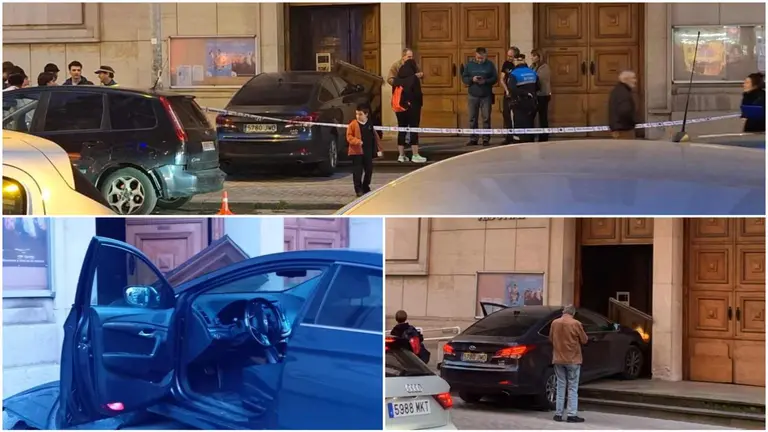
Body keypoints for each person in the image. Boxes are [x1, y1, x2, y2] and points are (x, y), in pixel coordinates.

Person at [549, 305, 588, 423]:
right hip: (573, 359)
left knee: (560, 386)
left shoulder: (554, 323)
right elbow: (584, 340)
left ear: (563, 312)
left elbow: (550, 338)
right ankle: (571, 414)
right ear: (573, 313)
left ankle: (558, 414)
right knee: (572, 387)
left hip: (558, 359)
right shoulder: (576, 324)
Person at [392, 58, 427, 164]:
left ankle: (401, 155)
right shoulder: (413, 78)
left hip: (399, 109)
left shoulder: (396, 79)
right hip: (412, 108)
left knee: (401, 130)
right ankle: (415, 155)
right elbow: (417, 94)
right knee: (413, 130)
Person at [346, 103, 383, 197]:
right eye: (357, 114)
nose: (358, 116)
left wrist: (379, 148)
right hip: (357, 152)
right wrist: (357, 141)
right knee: (357, 171)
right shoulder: (353, 124)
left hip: (368, 151)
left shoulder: (370, 124)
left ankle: (365, 186)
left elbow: (375, 137)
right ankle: (358, 189)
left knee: (369, 170)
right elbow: (349, 136)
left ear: (366, 114)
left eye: (360, 114)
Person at [462, 47, 498, 146]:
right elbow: (464, 78)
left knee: (486, 118)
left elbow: (495, 78)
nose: (479, 60)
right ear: (475, 55)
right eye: (478, 58)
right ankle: (473, 138)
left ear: (485, 56)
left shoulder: (490, 65)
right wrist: (471, 79)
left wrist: (485, 81)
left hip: (486, 95)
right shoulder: (469, 65)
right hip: (473, 95)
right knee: (472, 118)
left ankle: (486, 138)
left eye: (481, 58)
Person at [506, 54, 539, 143]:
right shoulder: (532, 72)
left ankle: (519, 143)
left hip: (519, 103)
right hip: (532, 103)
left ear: (516, 62)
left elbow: (512, 88)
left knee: (519, 125)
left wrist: (524, 93)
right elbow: (538, 86)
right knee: (530, 123)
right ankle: (530, 142)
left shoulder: (514, 73)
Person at [608, 70, 638, 139]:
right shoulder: (623, 93)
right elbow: (625, 111)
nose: (635, 80)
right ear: (625, 80)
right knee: (627, 149)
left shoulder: (619, 90)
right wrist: (632, 122)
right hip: (624, 129)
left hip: (619, 128)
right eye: (633, 78)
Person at [500, 46, 521, 144]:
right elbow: (502, 79)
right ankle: (509, 137)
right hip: (508, 94)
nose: (509, 58)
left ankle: (518, 136)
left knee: (517, 115)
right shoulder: (506, 64)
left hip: (518, 94)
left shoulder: (520, 65)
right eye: (508, 55)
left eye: (511, 56)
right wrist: (507, 90)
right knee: (506, 114)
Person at [530, 49, 552, 142]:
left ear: (539, 57)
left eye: (534, 56)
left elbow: (540, 78)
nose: (531, 57)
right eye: (531, 55)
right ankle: (531, 136)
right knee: (531, 116)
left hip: (543, 95)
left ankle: (543, 137)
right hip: (534, 95)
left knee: (542, 116)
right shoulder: (532, 66)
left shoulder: (544, 67)